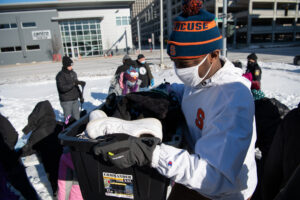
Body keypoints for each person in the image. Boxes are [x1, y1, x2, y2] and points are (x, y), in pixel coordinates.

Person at [93, 1, 257, 199]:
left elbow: (214, 177)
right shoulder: (202, 78)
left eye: (185, 64)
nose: (180, 71)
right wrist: (166, 92)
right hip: (193, 170)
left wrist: (150, 154)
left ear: (213, 55)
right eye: (176, 63)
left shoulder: (232, 101)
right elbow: (191, 93)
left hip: (223, 191)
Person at [56, 56, 85, 120]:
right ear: (65, 65)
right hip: (66, 101)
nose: (71, 67)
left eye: (71, 65)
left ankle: (77, 129)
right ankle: (66, 127)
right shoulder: (60, 76)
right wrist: (73, 84)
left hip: (75, 99)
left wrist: (80, 96)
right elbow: (62, 88)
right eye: (69, 66)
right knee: (68, 119)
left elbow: (76, 86)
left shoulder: (73, 73)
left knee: (77, 118)